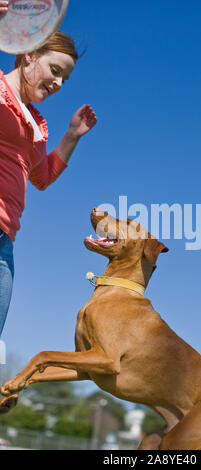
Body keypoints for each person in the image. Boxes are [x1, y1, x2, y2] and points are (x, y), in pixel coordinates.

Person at [0, 3, 98, 337]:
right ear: (28, 54)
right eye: (55, 70)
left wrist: (72, 135)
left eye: (64, 79)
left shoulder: (36, 123)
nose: (58, 82)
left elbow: (40, 178)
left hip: (4, 244)